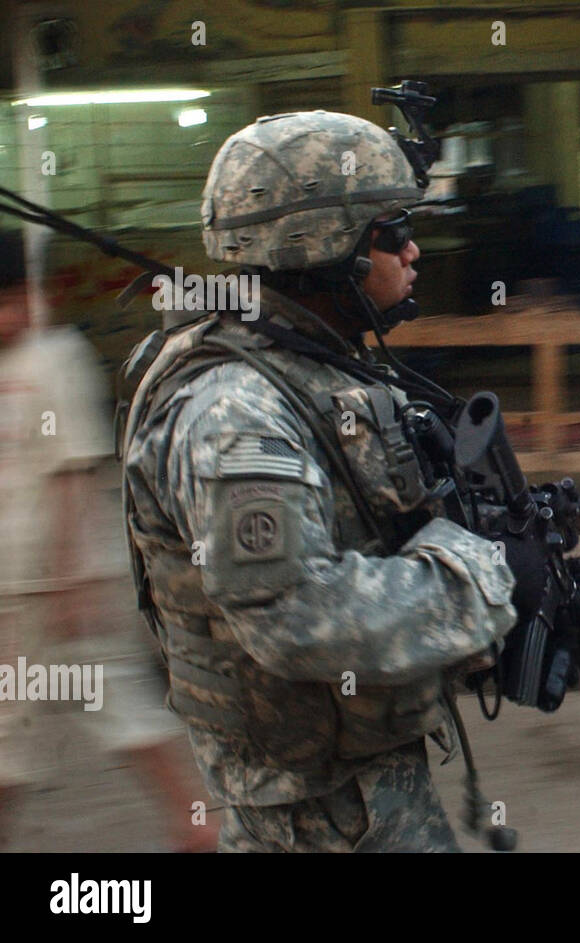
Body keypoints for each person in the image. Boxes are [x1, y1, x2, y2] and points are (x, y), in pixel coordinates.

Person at [119, 111, 524, 852]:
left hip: (355, 789)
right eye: (389, 232)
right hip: (316, 817)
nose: (413, 249)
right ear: (325, 247)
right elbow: (296, 615)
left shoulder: (309, 364)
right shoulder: (236, 413)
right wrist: (476, 581)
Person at [0, 230, 219, 851]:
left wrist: (71, 581)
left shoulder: (54, 358)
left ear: (26, 294)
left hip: (69, 588)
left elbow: (75, 470)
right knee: (7, 736)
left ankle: (197, 824)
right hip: (12, 591)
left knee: (122, 713)